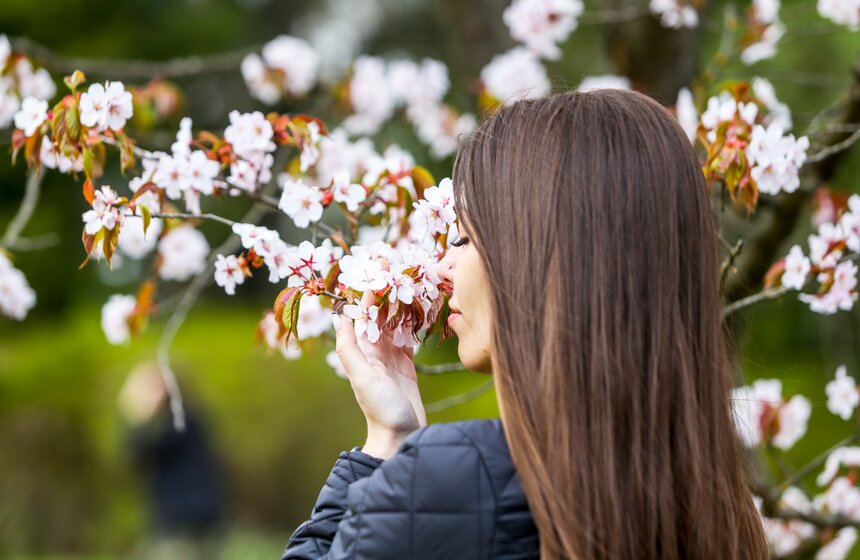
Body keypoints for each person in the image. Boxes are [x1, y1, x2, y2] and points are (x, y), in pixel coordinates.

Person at [281, 90, 769, 559]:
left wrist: (385, 445)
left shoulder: (459, 481)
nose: (444, 269)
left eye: (465, 239)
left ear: (540, 259)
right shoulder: (714, 502)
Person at [118, 362, 225, 560]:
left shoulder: (181, 422)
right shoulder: (183, 420)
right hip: (195, 518)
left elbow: (138, 452)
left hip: (183, 522)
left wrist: (139, 413)